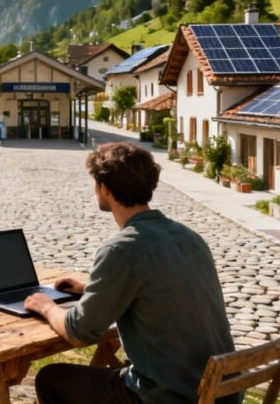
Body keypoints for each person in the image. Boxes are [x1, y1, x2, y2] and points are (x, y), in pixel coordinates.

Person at [24, 142, 239, 404]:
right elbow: (159, 288)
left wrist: (45, 306)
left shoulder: (121, 250)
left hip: (168, 397)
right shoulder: (189, 237)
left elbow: (78, 332)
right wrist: (88, 290)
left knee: (50, 379)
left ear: (104, 188)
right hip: (220, 393)